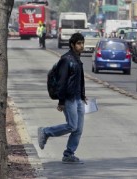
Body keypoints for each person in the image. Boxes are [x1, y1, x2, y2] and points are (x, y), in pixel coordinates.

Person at [38, 32, 87, 164]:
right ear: (72, 45)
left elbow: (79, 80)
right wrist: (61, 101)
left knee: (78, 129)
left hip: (78, 98)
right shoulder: (66, 59)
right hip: (69, 98)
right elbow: (62, 81)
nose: (81, 46)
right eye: (79, 43)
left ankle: (68, 154)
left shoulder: (77, 59)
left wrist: (83, 95)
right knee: (72, 126)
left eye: (82, 43)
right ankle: (46, 132)